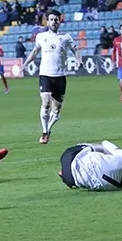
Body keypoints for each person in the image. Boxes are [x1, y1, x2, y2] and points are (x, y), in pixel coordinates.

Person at [23, 11, 81, 144]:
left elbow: (76, 50)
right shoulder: (41, 36)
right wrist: (26, 63)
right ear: (47, 22)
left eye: (56, 20)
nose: (54, 22)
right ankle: (44, 132)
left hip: (60, 76)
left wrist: (78, 59)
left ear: (59, 22)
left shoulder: (66, 37)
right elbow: (35, 51)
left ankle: (48, 129)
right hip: (45, 74)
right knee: (46, 103)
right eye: (51, 19)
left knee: (56, 110)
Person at [58, 140, 122, 191]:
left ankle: (81, 149)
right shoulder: (119, 187)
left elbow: (106, 143)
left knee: (100, 148)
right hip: (73, 179)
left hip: (69, 157)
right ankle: (64, 175)